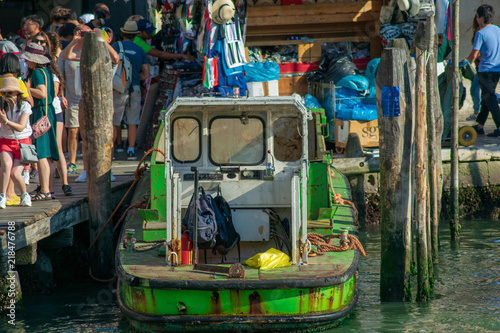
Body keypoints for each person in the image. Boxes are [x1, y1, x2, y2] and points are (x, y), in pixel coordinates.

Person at [61, 28, 119, 182]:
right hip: (84, 101)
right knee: (86, 138)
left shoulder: (106, 54)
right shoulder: (85, 56)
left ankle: (108, 170)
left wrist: (101, 39)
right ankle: (86, 170)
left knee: (107, 138)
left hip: (104, 102)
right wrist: (75, 40)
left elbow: (116, 57)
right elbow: (65, 55)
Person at [20, 42, 59, 200]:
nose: (26, 62)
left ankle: (44, 190)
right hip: (49, 113)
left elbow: (42, 93)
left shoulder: (36, 73)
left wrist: (26, 88)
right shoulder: (47, 71)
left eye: (28, 59)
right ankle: (47, 188)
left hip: (41, 114)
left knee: (42, 154)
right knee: (48, 154)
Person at [112, 21, 149, 161]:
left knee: (115, 121)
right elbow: (146, 74)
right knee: (132, 121)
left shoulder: (115, 47)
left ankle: (114, 149)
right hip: (135, 88)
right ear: (136, 35)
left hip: (118, 89)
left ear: (123, 34)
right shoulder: (140, 50)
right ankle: (131, 151)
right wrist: (134, 78)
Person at [0, 77, 33, 208]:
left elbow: (21, 126)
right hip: (5, 140)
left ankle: (25, 194)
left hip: (22, 143)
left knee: (15, 173)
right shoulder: (2, 106)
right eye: (4, 93)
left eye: (10, 93)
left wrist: (6, 121)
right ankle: (2, 196)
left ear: (17, 93)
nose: (7, 96)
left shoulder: (25, 105)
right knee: (6, 165)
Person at [468, 4, 500, 137]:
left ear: (481, 18)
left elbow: (474, 55)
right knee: (486, 98)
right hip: (497, 70)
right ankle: (480, 126)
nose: (476, 19)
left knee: (490, 98)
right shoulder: (498, 30)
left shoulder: (480, 33)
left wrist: (464, 64)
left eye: (477, 17)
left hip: (485, 71)